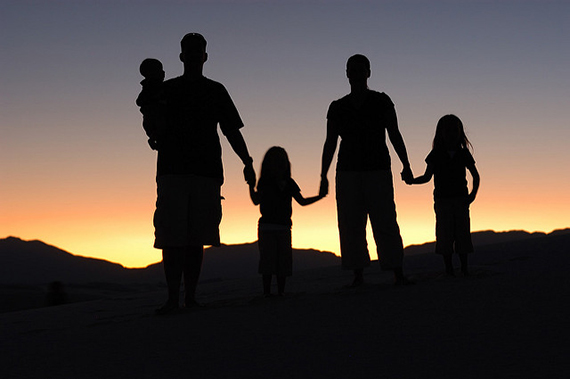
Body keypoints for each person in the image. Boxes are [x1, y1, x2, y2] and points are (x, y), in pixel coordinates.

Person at [137, 33, 256, 314]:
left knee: (193, 237)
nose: (193, 56)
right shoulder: (167, 89)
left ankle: (186, 298)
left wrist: (247, 160)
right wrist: (152, 132)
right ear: (183, 56)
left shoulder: (215, 90)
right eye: (189, 52)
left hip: (203, 171)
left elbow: (231, 130)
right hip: (175, 170)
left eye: (197, 51)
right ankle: (175, 298)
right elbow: (147, 112)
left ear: (204, 56)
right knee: (173, 236)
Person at [319, 54, 413, 287]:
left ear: (368, 73)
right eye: (352, 69)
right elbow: (330, 141)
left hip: (377, 169)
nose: (357, 73)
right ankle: (358, 275)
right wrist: (323, 175)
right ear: (347, 74)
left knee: (386, 220)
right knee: (351, 224)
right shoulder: (338, 107)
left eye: (361, 69)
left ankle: (397, 272)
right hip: (348, 172)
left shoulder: (382, 101)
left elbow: (394, 134)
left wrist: (406, 164)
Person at [405, 114, 480, 276]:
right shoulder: (436, 154)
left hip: (460, 199)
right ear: (441, 133)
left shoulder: (463, 154)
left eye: (454, 130)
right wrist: (412, 181)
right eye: (448, 130)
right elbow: (427, 177)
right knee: (445, 234)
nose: (451, 134)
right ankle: (449, 269)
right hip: (443, 200)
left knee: (462, 233)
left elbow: (476, 175)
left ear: (460, 132)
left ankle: (464, 268)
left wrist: (472, 195)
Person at [249, 146, 324, 296]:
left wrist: (319, 196)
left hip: (281, 227)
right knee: (270, 261)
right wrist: (251, 186)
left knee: (278, 261)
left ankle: (277, 293)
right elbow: (257, 200)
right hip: (270, 227)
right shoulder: (268, 182)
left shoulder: (286, 183)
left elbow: (301, 201)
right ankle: (269, 293)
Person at [136, 58, 165, 150]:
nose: (163, 73)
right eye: (159, 71)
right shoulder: (150, 87)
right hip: (153, 117)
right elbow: (139, 101)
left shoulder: (162, 87)